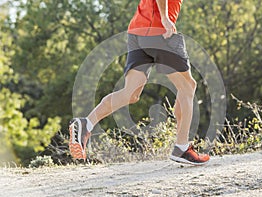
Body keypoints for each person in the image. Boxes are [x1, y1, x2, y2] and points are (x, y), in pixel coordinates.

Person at [69, 0, 210, 165]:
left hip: (137, 32)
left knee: (130, 93)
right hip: (159, 30)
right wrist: (165, 17)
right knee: (188, 86)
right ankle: (182, 147)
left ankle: (87, 123)